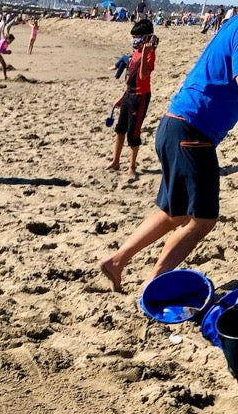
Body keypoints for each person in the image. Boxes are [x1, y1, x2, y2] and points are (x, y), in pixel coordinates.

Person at [99, 15, 238, 293]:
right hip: (193, 132)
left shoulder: (232, 25)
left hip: (175, 125)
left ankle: (117, 260)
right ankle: (152, 285)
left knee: (173, 212)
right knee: (204, 219)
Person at [107, 20, 156, 182]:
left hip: (140, 97)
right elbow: (131, 78)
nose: (134, 40)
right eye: (133, 37)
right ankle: (115, 161)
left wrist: (145, 54)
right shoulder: (134, 52)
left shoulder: (149, 54)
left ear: (146, 37)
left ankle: (132, 166)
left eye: (137, 37)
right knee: (120, 129)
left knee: (133, 133)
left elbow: (143, 75)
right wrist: (122, 97)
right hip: (129, 94)